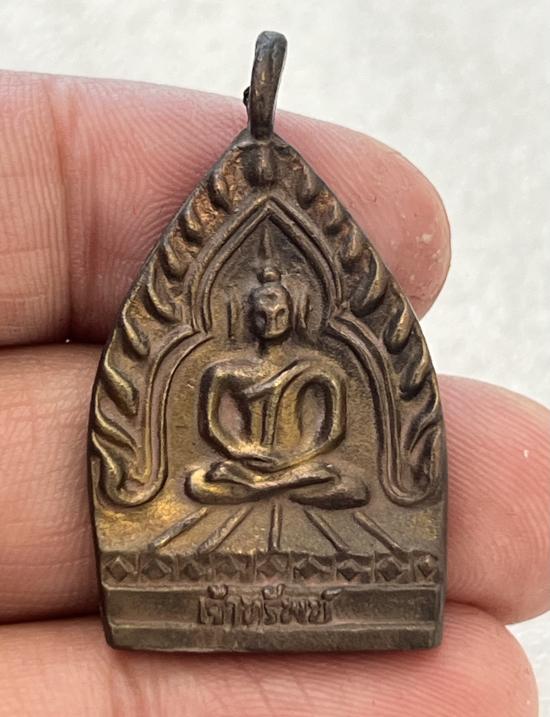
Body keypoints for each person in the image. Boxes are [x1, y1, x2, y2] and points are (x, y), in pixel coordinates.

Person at [0, 71, 547, 716]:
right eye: (261, 310)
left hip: (303, 471)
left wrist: (287, 466)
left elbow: (330, 435)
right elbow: (217, 434)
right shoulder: (223, 370)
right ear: (248, 313)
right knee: (203, 479)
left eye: (279, 308)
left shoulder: (321, 367)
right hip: (241, 472)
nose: (270, 317)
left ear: (295, 310)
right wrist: (251, 462)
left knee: (344, 482)